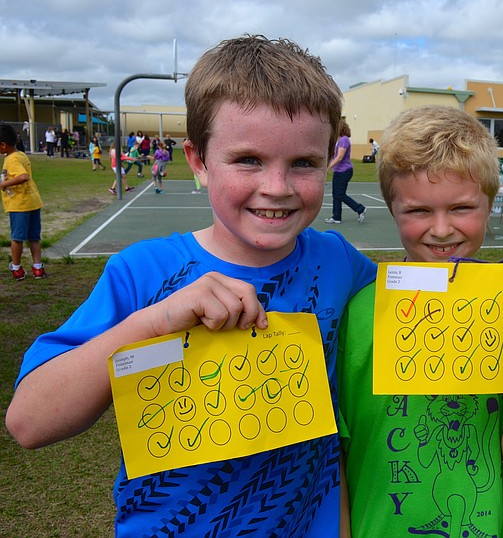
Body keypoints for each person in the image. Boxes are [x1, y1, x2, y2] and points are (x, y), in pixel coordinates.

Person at [6, 35, 377, 538]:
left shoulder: (342, 264)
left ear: (330, 159)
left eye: (303, 163)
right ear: (198, 161)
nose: (277, 186)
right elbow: (30, 422)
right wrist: (155, 322)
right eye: (248, 159)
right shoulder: (143, 272)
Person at [338, 105, 503, 538]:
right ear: (392, 208)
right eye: (418, 211)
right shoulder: (356, 312)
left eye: (460, 208)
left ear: (489, 204)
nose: (441, 229)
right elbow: (334, 459)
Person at [1, 124, 46, 280]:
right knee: (34, 237)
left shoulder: (11, 159)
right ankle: (38, 268)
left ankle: (16, 268)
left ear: (3, 145)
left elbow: (23, 176)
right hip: (32, 202)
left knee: (17, 238)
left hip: (19, 204)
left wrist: (4, 184)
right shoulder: (21, 155)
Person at [325, 120, 367, 224]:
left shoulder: (344, 140)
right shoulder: (339, 141)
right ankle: (336, 217)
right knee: (336, 194)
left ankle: (360, 208)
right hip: (339, 171)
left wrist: (328, 167)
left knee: (340, 194)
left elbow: (339, 157)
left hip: (344, 171)